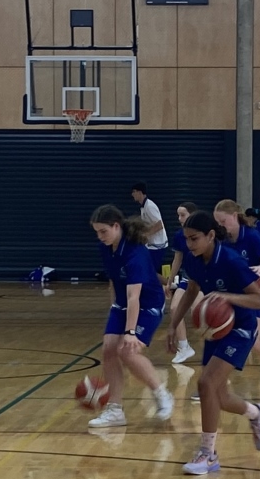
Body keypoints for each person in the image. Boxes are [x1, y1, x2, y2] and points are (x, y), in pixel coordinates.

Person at [166, 212, 260, 474]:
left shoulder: (231, 260)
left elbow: (259, 301)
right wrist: (173, 323)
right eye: (187, 240)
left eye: (195, 239)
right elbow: (192, 290)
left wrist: (225, 298)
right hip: (217, 331)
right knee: (218, 395)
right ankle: (257, 413)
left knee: (205, 384)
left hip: (240, 327)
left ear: (211, 235)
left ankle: (209, 454)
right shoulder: (193, 259)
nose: (190, 245)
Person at [86, 205, 174, 428]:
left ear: (117, 226)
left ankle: (161, 393)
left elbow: (134, 297)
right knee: (108, 349)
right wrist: (114, 312)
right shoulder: (106, 247)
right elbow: (114, 283)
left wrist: (130, 332)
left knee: (127, 351)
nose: (100, 236)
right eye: (96, 231)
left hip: (148, 304)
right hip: (122, 303)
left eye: (103, 231)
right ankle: (115, 411)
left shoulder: (135, 253)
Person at [215, 200, 260, 395]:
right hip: (243, 295)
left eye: (223, 221)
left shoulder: (252, 236)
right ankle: (214, 381)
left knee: (249, 336)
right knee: (230, 336)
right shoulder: (223, 242)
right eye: (218, 222)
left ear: (234, 216)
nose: (220, 225)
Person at [166, 202, 200, 366]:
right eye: (178, 215)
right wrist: (170, 280)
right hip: (187, 277)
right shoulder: (179, 235)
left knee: (199, 312)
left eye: (183, 215)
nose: (179, 218)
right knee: (174, 308)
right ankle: (184, 346)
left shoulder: (204, 233)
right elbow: (178, 258)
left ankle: (218, 349)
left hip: (203, 279)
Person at [130, 181, 170, 268]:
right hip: (151, 244)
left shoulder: (149, 206)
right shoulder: (143, 207)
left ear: (140, 192)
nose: (132, 194)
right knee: (148, 268)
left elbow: (159, 224)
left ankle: (169, 282)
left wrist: (146, 235)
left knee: (150, 269)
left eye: (134, 192)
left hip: (157, 245)